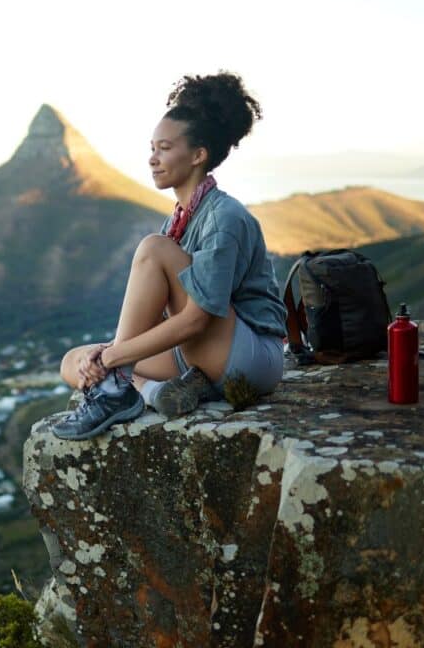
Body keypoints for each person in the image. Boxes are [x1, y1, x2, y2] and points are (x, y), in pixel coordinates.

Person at [52, 71, 288, 440]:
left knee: (152, 250)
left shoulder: (224, 217)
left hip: (249, 356)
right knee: (74, 362)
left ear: (198, 155)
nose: (152, 159)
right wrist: (105, 357)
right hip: (198, 353)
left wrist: (115, 357)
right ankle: (155, 392)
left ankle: (117, 389)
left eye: (164, 148)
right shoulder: (177, 221)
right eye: (152, 148)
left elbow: (196, 320)